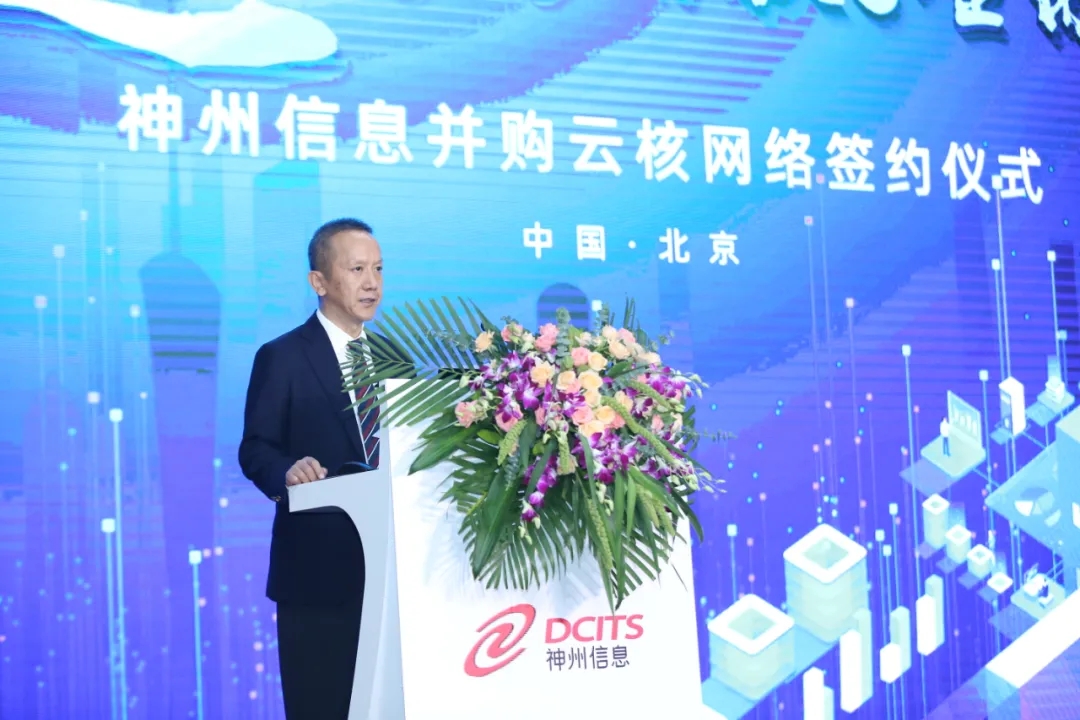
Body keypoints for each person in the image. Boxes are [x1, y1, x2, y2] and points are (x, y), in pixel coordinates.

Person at [239, 218, 384, 719]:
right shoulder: (282, 357)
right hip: (318, 574)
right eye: (357, 269)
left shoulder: (397, 361)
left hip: (391, 572)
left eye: (378, 269)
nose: (371, 283)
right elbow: (255, 448)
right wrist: (287, 471)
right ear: (319, 281)